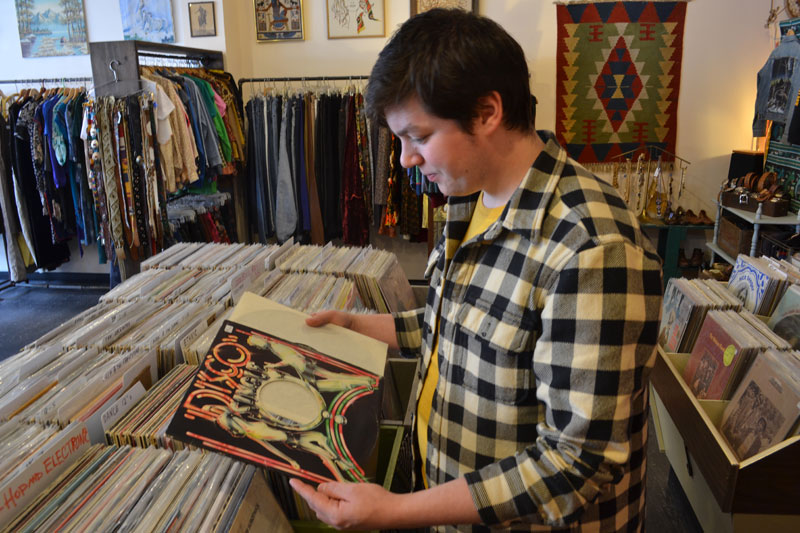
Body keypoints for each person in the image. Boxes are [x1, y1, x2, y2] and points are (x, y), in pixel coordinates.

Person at [290, 8, 663, 532]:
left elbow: (577, 462)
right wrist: (360, 327)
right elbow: (456, 325)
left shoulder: (592, 246)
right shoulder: (470, 197)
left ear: (487, 112)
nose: (403, 160)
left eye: (417, 136)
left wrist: (395, 510)